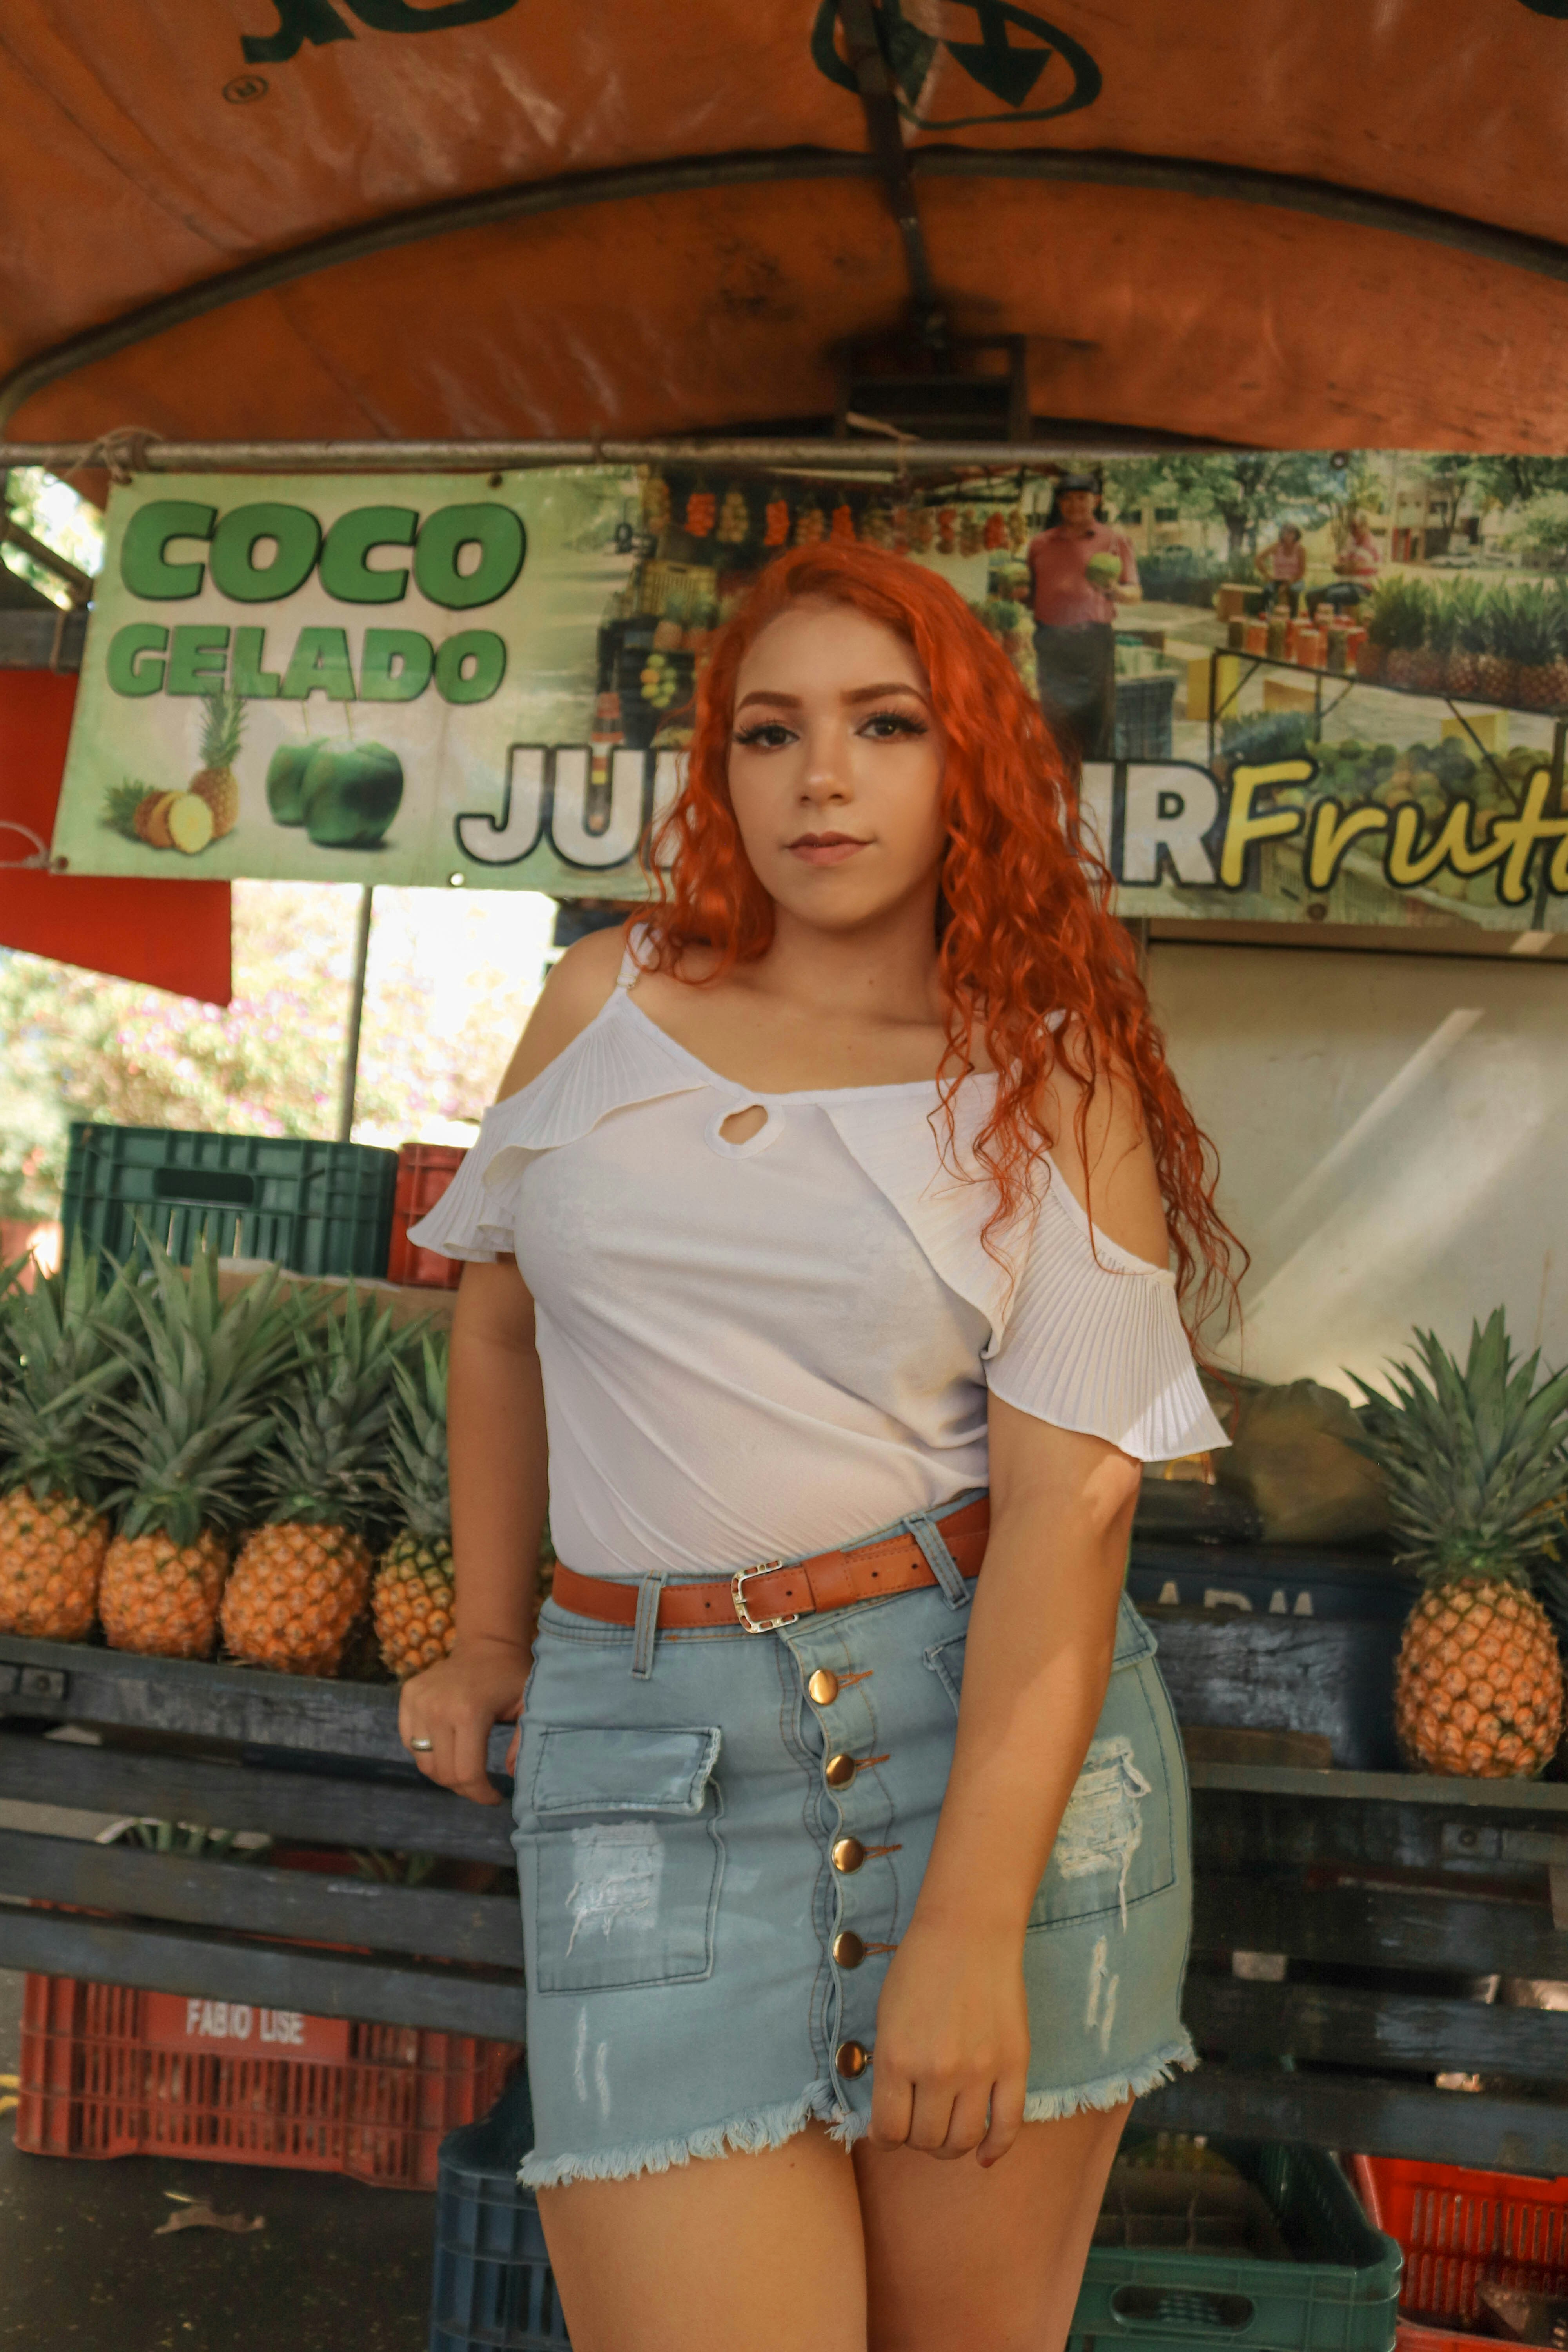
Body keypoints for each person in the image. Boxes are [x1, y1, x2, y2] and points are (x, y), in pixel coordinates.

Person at [402, 541, 1238, 2352]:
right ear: (722, 770)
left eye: (884, 725)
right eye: (769, 732)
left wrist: (971, 1929)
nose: (820, 777)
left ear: (970, 765)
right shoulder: (603, 999)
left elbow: (1071, 1515)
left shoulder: (1047, 1071)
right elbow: (497, 1318)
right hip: (640, 1744)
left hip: (987, 1744)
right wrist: (482, 1633)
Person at [1026, 475, 1141, 762]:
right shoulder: (1040, 544)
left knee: (1096, 721)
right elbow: (1032, 595)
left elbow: (1135, 593)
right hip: (1050, 642)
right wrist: (1016, 593)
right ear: (1059, 503)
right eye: (1067, 498)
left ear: (1096, 501)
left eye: (1082, 498)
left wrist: (1115, 592)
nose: (1074, 504)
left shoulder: (1114, 541)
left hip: (1092, 642)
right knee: (1054, 722)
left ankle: (1097, 779)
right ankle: (1058, 781)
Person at [1254, 523, 1307, 615]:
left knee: (1294, 591)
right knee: (1268, 591)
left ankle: (1293, 618)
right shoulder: (1277, 546)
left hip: (1296, 580)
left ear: (1296, 535)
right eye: (1286, 534)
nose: (1288, 537)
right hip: (1278, 580)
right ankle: (1265, 616)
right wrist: (1267, 575)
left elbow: (1302, 571)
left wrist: (1292, 580)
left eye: (1292, 534)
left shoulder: (1300, 549)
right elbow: (1259, 559)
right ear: (1282, 535)